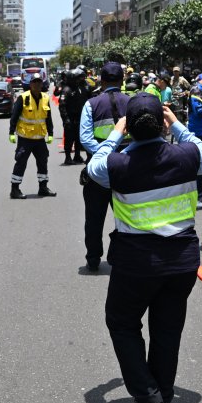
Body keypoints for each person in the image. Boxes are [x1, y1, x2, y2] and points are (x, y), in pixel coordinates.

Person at [86, 93, 202, 403]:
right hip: (181, 262)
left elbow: (94, 166)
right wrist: (178, 125)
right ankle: (163, 396)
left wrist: (116, 132)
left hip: (136, 264)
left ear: (129, 127)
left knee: (122, 323)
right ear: (162, 123)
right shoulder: (187, 156)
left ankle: (147, 394)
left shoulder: (116, 165)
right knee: (167, 330)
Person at [79, 61, 131, 272]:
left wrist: (103, 153)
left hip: (98, 169)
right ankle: (124, 256)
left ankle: (93, 258)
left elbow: (85, 138)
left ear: (101, 80)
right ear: (122, 80)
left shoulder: (91, 104)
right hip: (127, 167)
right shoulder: (132, 102)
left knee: (94, 217)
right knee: (126, 216)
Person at [8, 74, 56, 199]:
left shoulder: (45, 98)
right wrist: (11, 132)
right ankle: (14, 189)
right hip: (25, 138)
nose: (37, 84)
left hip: (40, 138)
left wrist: (51, 133)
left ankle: (43, 187)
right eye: (35, 82)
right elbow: (14, 116)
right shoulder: (23, 98)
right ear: (30, 84)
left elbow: (48, 118)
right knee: (21, 163)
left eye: (39, 82)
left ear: (42, 84)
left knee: (43, 162)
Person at [59, 67, 91, 165]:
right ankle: (68, 158)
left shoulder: (79, 88)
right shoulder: (66, 90)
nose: (79, 80)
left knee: (78, 138)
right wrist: (66, 119)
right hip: (70, 118)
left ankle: (77, 155)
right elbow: (62, 106)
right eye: (77, 78)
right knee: (69, 139)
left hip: (79, 118)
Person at [187, 77, 202, 208]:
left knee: (201, 164)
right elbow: (199, 111)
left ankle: (199, 193)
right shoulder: (196, 90)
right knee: (197, 164)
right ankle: (194, 197)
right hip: (197, 131)